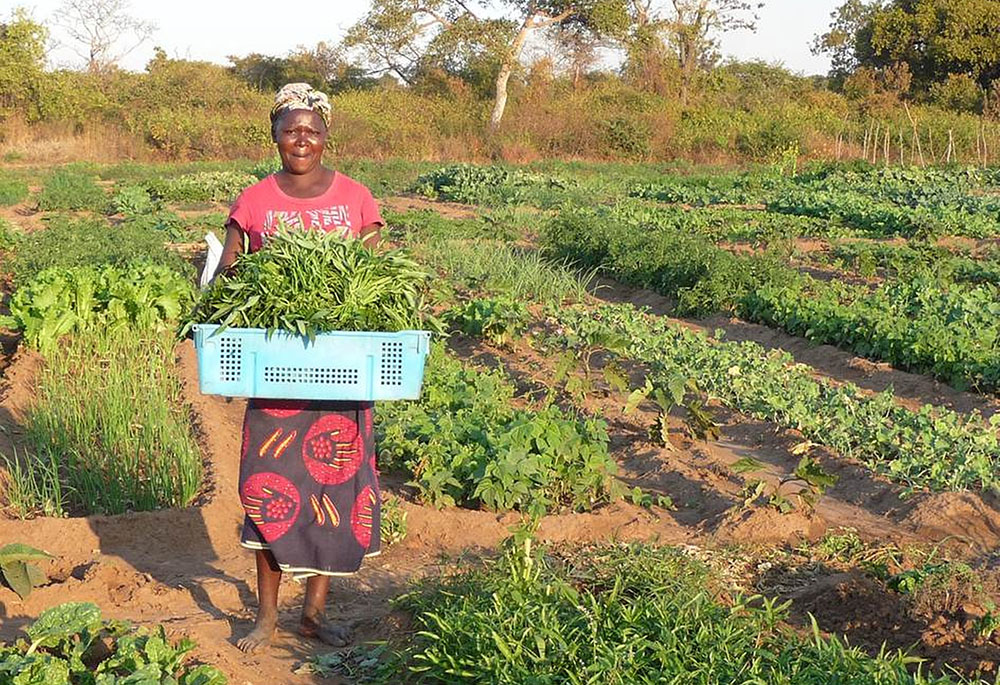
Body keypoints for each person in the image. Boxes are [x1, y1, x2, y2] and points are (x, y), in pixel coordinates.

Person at [214, 83, 385, 654]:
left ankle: (312, 614)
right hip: (277, 379)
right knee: (271, 494)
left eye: (311, 129)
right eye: (291, 128)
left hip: (340, 377)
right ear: (275, 135)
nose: (301, 139)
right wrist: (217, 280)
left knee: (332, 495)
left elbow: (379, 282)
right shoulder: (255, 200)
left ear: (327, 133)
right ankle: (265, 617)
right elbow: (230, 273)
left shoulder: (358, 198)